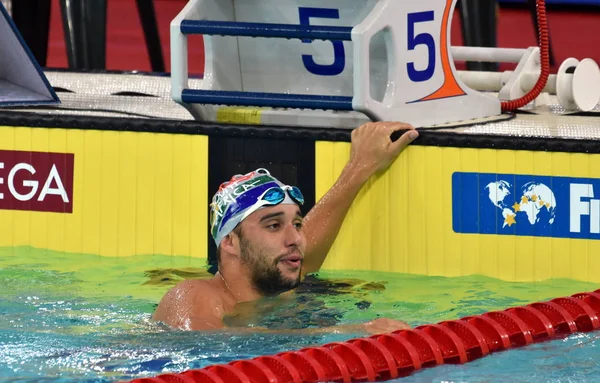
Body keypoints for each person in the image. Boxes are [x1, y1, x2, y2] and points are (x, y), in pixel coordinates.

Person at [152, 122, 419, 333]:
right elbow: (202, 341)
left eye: (297, 224)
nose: (295, 239)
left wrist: (360, 165)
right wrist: (348, 332)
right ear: (230, 241)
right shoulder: (193, 295)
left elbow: (309, 242)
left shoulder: (278, 283)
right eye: (273, 225)